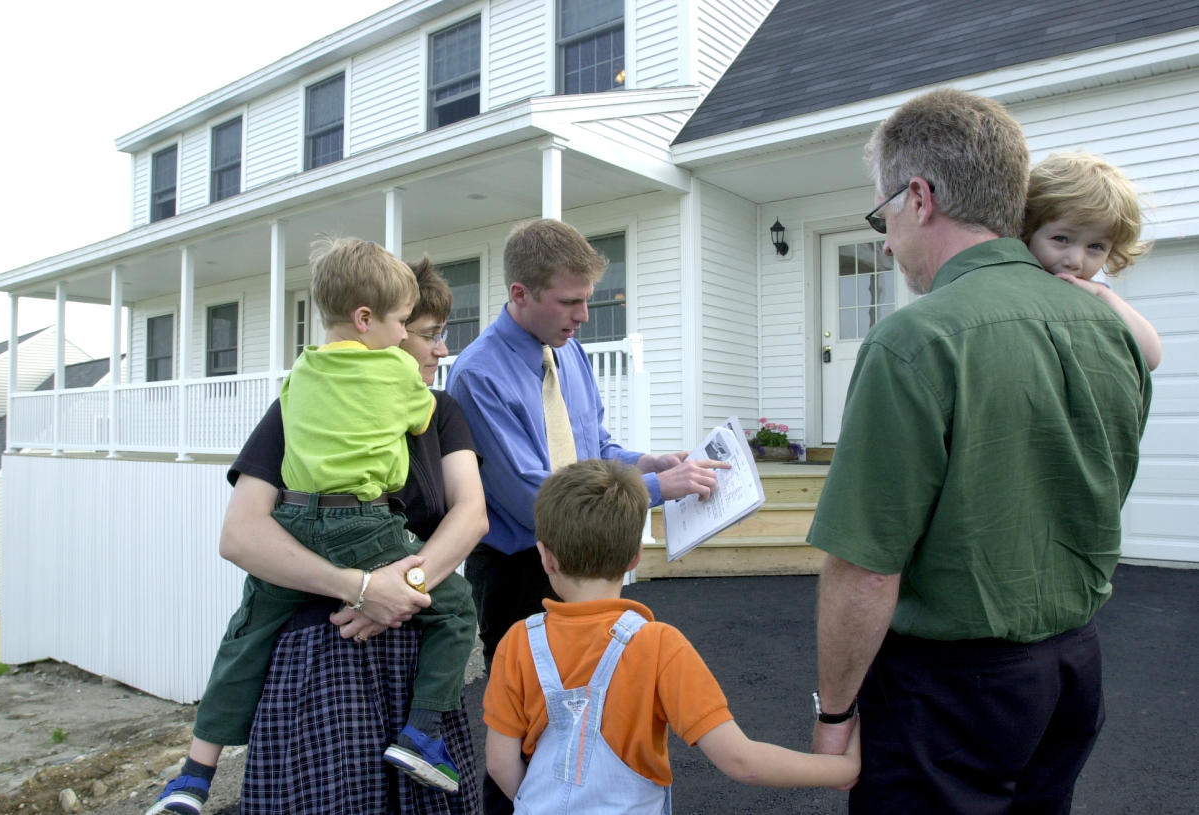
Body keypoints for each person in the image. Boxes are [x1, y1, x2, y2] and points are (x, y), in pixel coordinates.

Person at [806, 88, 1151, 814]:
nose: (889, 239)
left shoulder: (915, 340)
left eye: (883, 216)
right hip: (1071, 671)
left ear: (920, 197)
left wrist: (834, 716)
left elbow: (866, 569)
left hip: (950, 696)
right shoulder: (1114, 331)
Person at [148, 256, 485, 815]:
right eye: (425, 333)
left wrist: (402, 587)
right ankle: (193, 780)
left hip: (413, 648)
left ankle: (193, 775)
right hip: (322, 659)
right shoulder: (296, 405)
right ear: (372, 327)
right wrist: (360, 587)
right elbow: (240, 534)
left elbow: (470, 515)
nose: (438, 349)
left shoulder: (442, 410)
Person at [446, 217, 728, 812]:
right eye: (569, 301)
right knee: (525, 736)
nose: (583, 316)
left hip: (581, 562)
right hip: (524, 567)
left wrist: (645, 459)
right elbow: (536, 496)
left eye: (587, 301)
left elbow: (595, 448)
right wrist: (654, 486)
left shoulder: (565, 354)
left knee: (594, 724)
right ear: (520, 294)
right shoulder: (478, 374)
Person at [483, 459, 860, 813]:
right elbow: (740, 760)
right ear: (635, 557)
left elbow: (500, 763)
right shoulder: (660, 645)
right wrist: (843, 768)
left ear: (545, 557)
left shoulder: (518, 642)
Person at [1023, 150, 1162, 370]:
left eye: (1096, 247)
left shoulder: (1094, 292)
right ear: (1028, 230)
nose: (1075, 261)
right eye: (1061, 239)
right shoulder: (1013, 280)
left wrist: (1102, 294)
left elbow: (1150, 358)